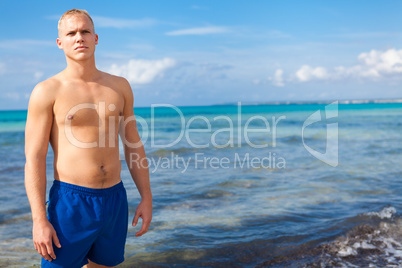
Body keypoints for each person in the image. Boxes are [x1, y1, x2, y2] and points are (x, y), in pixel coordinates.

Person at [24, 9, 152, 267]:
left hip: (115, 198)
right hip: (71, 202)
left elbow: (133, 145)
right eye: (71, 33)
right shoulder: (48, 91)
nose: (79, 37)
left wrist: (146, 197)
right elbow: (34, 159)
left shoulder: (119, 86)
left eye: (85, 31)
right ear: (60, 42)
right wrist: (39, 220)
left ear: (96, 38)